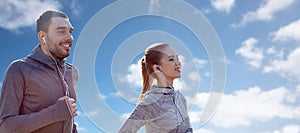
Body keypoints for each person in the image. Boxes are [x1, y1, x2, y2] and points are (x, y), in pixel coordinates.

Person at [0, 10, 78, 133]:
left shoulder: (72, 72)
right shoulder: (19, 69)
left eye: (70, 32)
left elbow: (68, 120)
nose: (69, 38)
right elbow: (5, 127)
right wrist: (54, 113)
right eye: (61, 31)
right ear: (42, 37)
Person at [119, 43, 193, 133]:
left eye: (177, 58)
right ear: (157, 68)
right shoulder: (152, 100)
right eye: (171, 59)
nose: (178, 63)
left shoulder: (180, 98)